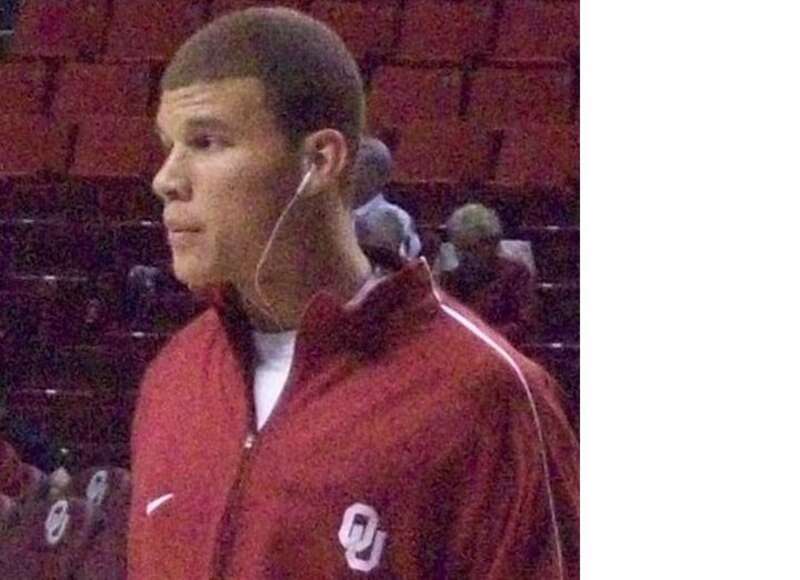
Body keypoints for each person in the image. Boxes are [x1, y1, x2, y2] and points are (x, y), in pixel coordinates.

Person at [128, 7, 578, 580]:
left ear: (319, 161)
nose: (166, 178)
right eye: (168, 145)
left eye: (206, 141)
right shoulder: (176, 374)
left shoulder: (487, 396)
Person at [438, 203, 539, 347]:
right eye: (459, 250)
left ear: (492, 244)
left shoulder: (516, 274)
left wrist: (482, 338)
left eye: (471, 249)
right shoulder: (450, 280)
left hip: (504, 351)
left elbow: (525, 324)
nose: (465, 257)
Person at [351, 137, 421, 271]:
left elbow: (403, 264)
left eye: (356, 170)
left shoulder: (397, 218)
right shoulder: (333, 215)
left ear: (380, 176)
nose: (348, 177)